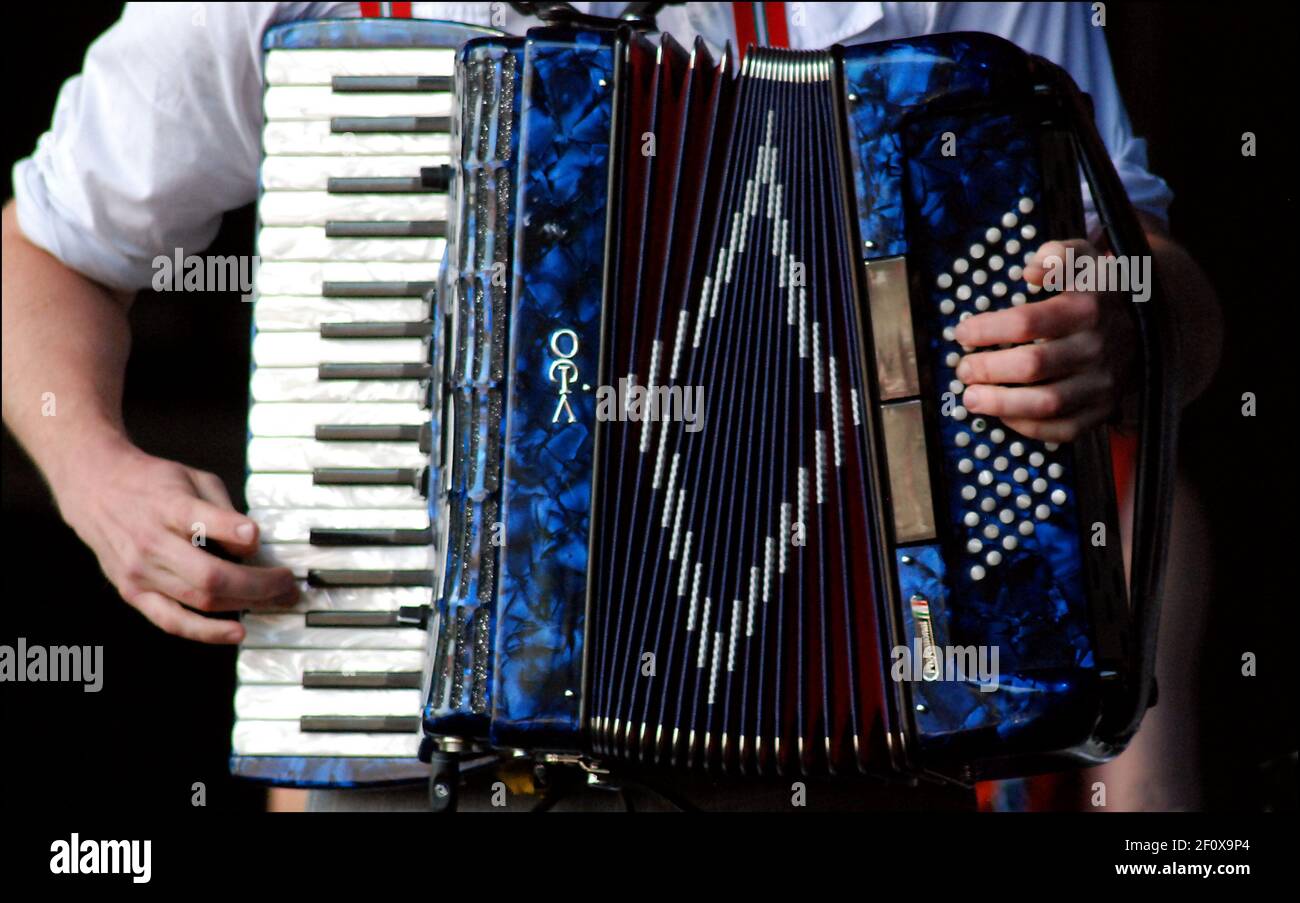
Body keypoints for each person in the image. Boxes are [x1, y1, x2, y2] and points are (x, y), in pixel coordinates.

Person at [1, 1, 1221, 811]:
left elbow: (1167, 283)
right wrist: (97, 475)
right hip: (398, 725)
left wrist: (1128, 325)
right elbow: (49, 250)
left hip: (849, 735)